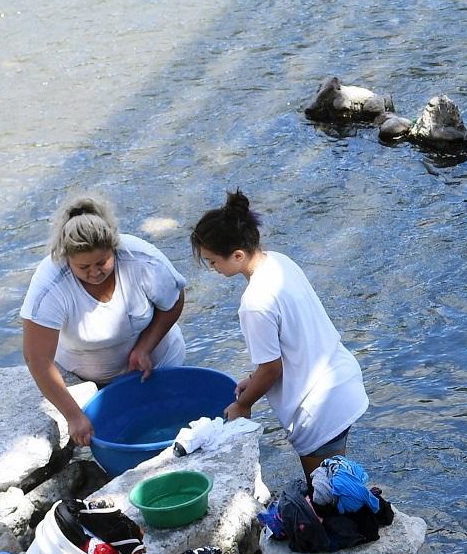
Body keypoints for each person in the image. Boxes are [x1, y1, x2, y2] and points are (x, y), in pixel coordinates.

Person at [189, 192, 367, 474]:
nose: (212, 268)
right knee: (338, 480)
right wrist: (252, 379)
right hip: (341, 382)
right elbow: (290, 342)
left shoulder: (254, 304)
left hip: (318, 407)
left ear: (237, 255)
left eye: (212, 262)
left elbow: (272, 369)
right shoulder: (280, 262)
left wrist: (242, 406)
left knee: (324, 491)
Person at [20, 193, 189, 446]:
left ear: (114, 248)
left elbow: (174, 300)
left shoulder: (141, 259)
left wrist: (144, 347)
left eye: (102, 262)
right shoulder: (50, 285)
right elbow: (38, 359)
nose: (95, 272)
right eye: (83, 267)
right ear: (67, 259)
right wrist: (74, 415)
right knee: (119, 439)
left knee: (172, 429)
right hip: (91, 383)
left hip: (157, 364)